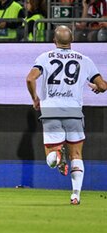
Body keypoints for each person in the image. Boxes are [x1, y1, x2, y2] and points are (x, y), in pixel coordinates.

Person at [26, 25, 107, 205]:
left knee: (51, 159)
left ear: (54, 41)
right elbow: (102, 85)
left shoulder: (45, 57)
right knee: (76, 154)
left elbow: (30, 78)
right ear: (72, 41)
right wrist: (97, 88)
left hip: (51, 109)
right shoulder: (84, 59)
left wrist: (35, 98)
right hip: (74, 110)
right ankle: (75, 195)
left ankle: (57, 156)